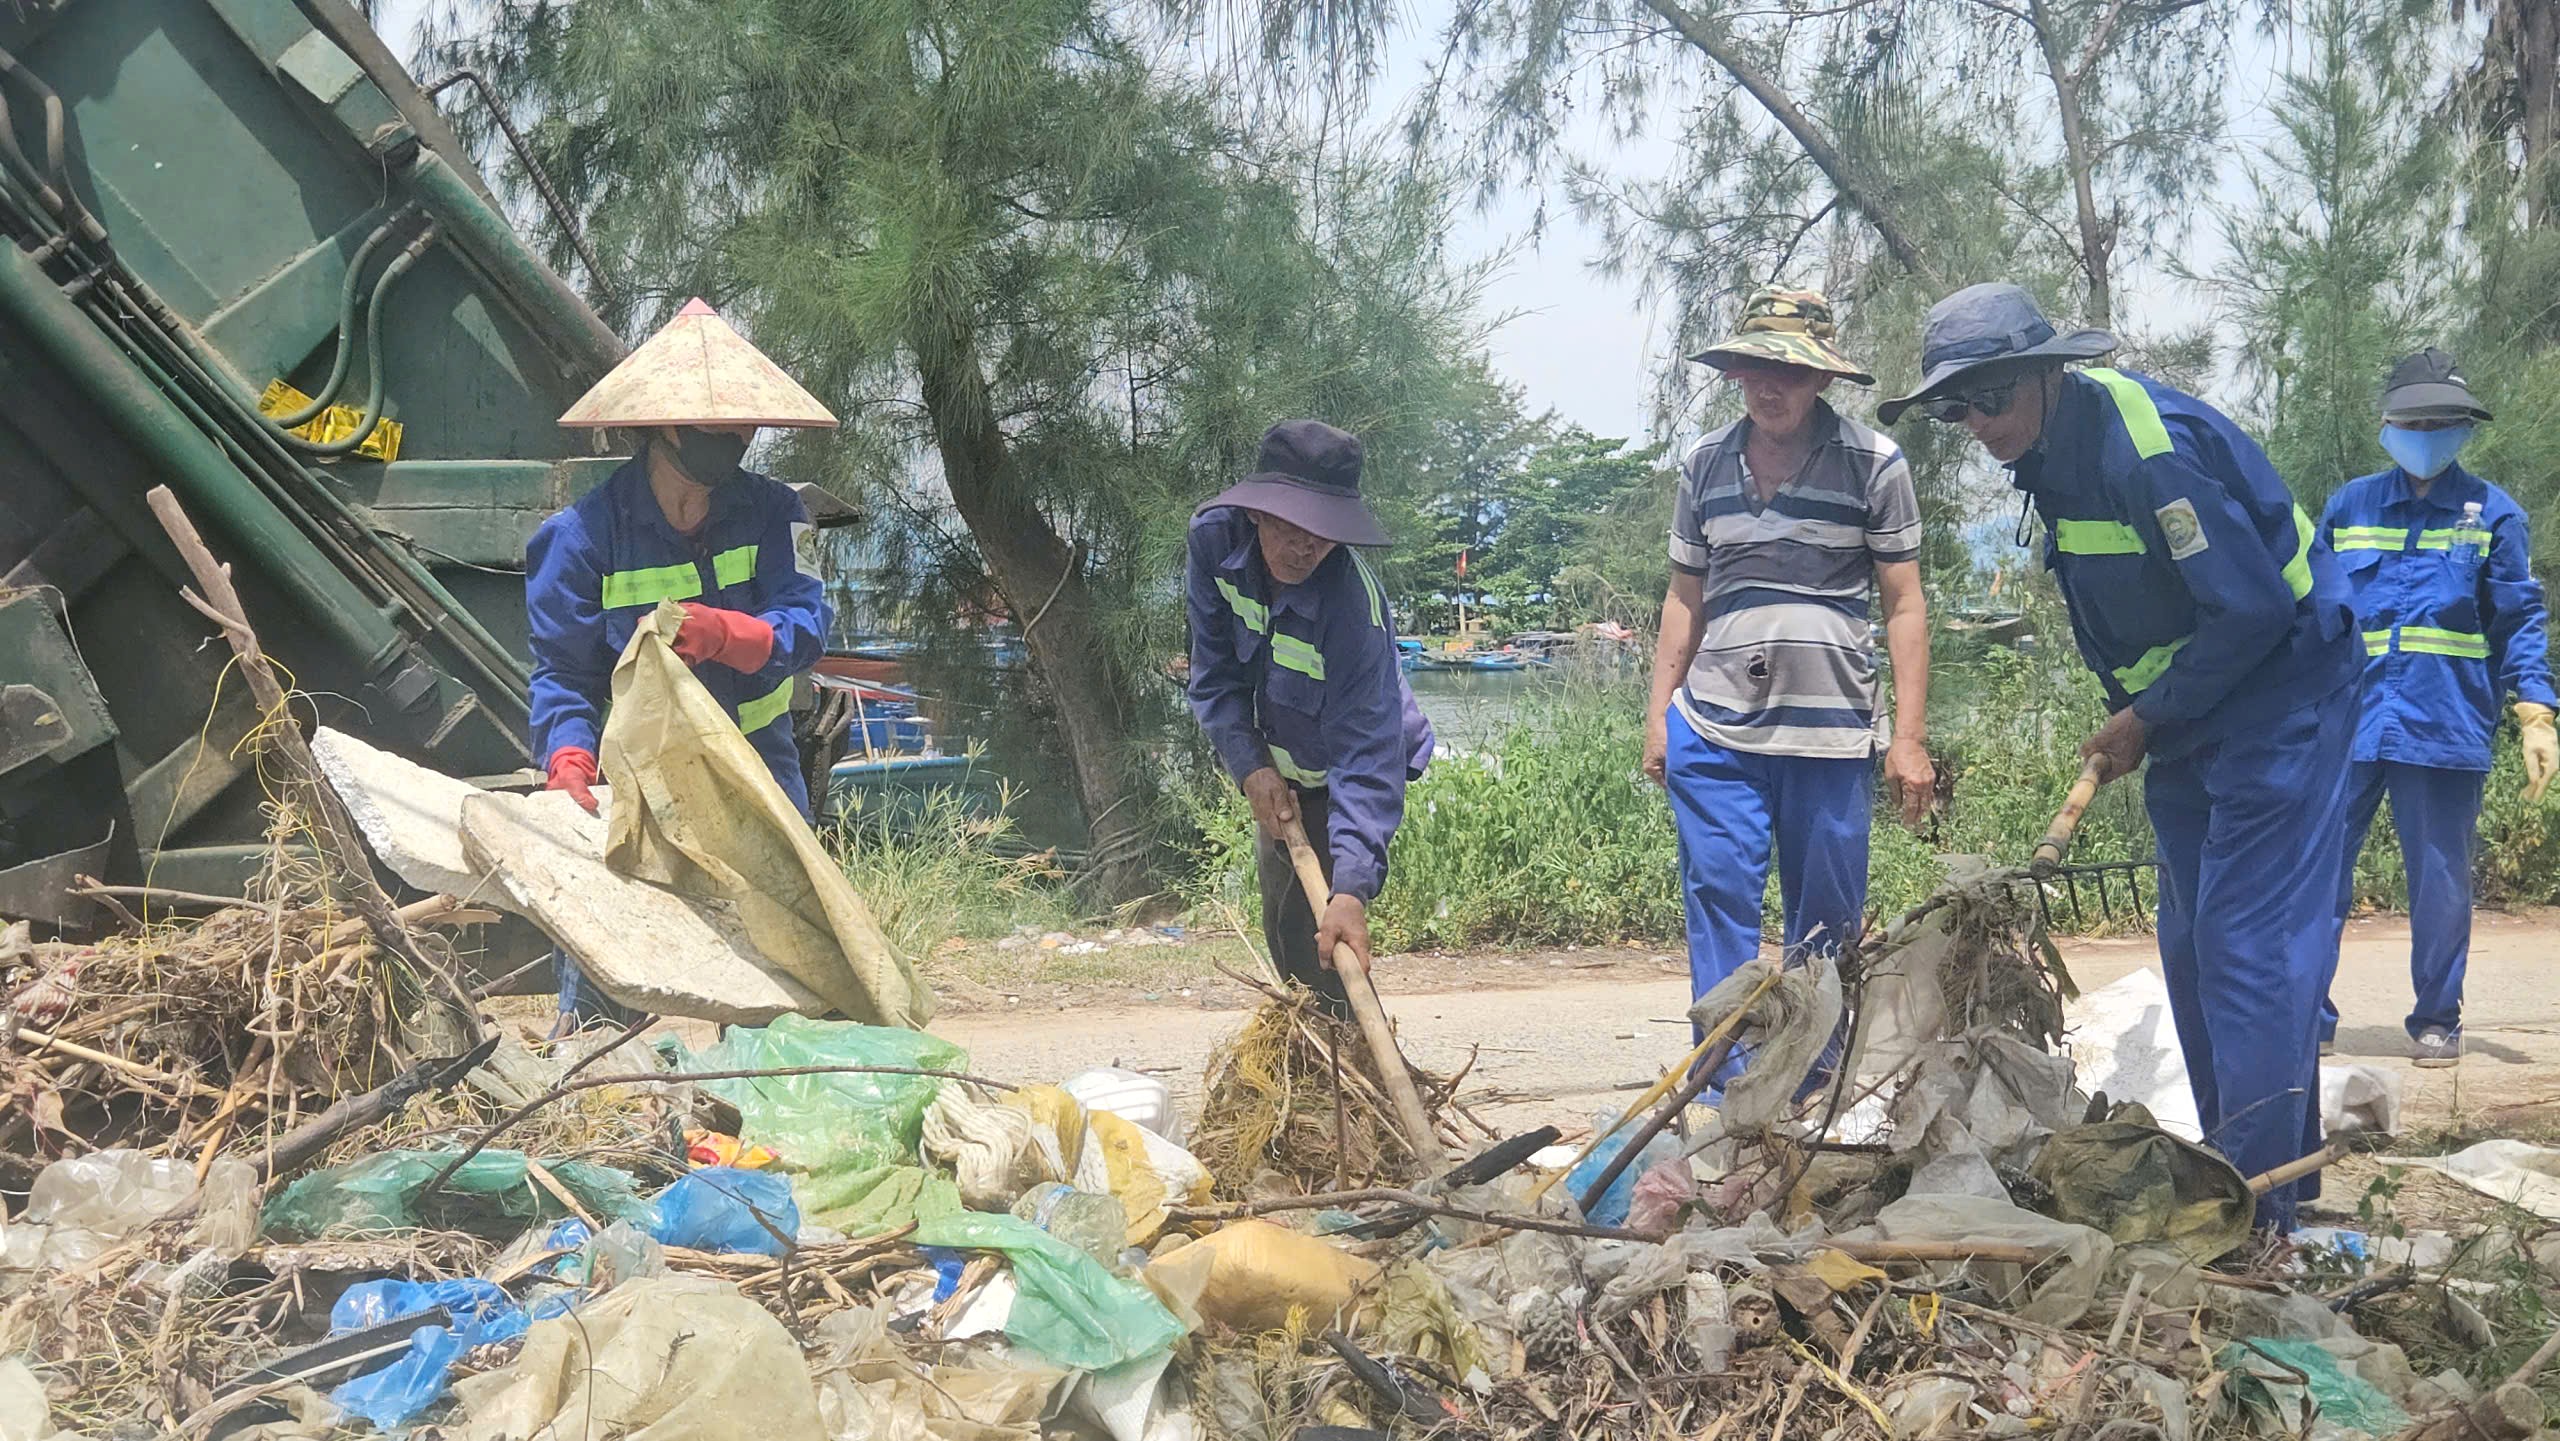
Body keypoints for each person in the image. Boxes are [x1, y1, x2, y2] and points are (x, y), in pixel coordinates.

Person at [1880, 282, 2362, 1230]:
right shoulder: (2050, 458)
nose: (1977, 422)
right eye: (1955, 406)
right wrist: (2143, 715)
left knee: (2246, 952)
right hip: (2191, 706)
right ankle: (2252, 1177)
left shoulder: (2148, 454)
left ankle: (2262, 1219)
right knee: (2189, 947)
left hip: (2284, 691)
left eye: (1992, 396)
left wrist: (2148, 715)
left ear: (2049, 374)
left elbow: (2257, 608)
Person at [1644, 287, 1935, 1091]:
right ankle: (1723, 1085)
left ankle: (1809, 1088)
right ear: (1735, 373)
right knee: (1717, 898)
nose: (1768, 386)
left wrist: (1906, 738)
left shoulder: (1875, 463)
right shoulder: (1704, 463)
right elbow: (1683, 595)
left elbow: (1904, 604)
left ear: (1821, 382)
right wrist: (1658, 716)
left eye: (1788, 371)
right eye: (1753, 367)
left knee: (1828, 922)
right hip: (1715, 727)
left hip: (1831, 735)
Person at [528, 298, 838, 1034]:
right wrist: (568, 756)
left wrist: (728, 633)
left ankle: (769, 1105)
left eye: (743, 427)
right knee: (614, 966)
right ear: (664, 426)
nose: (734, 440)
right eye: (715, 427)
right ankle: (598, 1083)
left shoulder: (778, 515)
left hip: (760, 768)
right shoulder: (576, 541)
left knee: (784, 977)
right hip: (640, 782)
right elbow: (561, 676)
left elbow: (808, 622)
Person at [2317, 349, 2557, 1067]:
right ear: (2387, 423)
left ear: (2462, 428)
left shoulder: (2495, 515)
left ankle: (2436, 1017)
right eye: (2414, 419)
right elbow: (2311, 612)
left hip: (2444, 721)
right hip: (2347, 722)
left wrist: (2536, 709)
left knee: (2441, 882)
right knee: (2316, 870)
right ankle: (2304, 1010)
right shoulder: (2349, 507)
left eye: (2441, 421)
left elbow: (2519, 617)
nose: (2426, 431)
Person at [1186, 420, 1434, 1016]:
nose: (1308, 548)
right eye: (1294, 527)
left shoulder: (1352, 608)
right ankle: (1318, 1068)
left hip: (1351, 763)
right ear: (1257, 514)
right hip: (1280, 761)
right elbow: (1214, 676)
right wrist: (1251, 768)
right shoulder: (1214, 545)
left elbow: (1368, 756)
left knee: (1327, 944)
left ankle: (1358, 1082)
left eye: (1324, 533)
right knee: (1286, 928)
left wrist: (1351, 889)